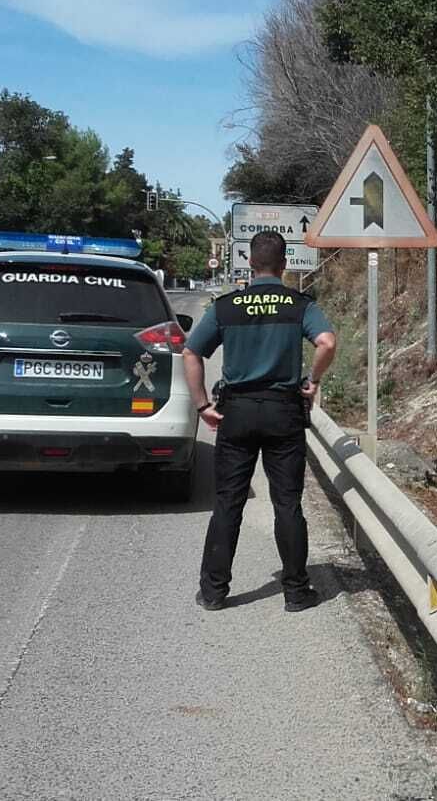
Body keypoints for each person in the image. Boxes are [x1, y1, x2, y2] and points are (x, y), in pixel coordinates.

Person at [181, 230, 337, 612]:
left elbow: (191, 352)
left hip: (237, 412)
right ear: (284, 265)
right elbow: (327, 343)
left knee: (228, 503)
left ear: (249, 263)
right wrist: (312, 382)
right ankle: (297, 592)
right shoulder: (299, 305)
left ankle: (215, 592)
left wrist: (203, 406)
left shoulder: (226, 307)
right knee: (287, 503)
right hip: (283, 411)